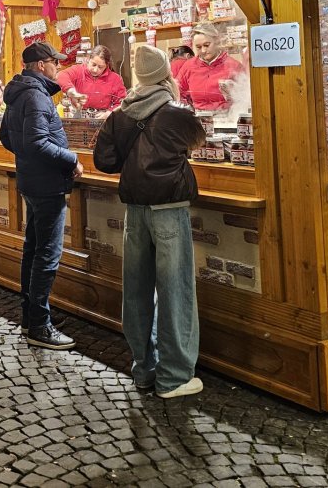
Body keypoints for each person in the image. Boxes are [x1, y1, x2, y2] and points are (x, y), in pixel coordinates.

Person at [93, 45, 207, 399]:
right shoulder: (178, 113)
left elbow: (104, 162)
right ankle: (173, 377)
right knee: (176, 292)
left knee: (137, 291)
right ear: (164, 75)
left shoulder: (119, 115)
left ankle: (143, 370)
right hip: (169, 209)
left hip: (135, 212)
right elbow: (199, 143)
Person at [0, 40, 82, 351]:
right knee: (46, 254)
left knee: (33, 250)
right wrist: (70, 159)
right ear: (40, 65)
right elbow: (36, 142)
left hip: (32, 180)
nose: (57, 66)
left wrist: (26, 160)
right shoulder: (36, 95)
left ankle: (31, 315)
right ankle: (39, 325)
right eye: (54, 62)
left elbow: (6, 136)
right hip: (47, 183)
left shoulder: (20, 92)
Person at [176, 23, 244, 112]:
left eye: (207, 45)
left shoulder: (233, 66)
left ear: (216, 41)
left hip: (227, 118)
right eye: (198, 47)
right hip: (199, 118)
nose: (203, 50)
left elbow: (245, 96)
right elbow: (178, 92)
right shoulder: (189, 66)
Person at [56, 46, 126, 113]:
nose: (95, 70)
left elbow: (122, 103)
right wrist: (71, 92)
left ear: (107, 65)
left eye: (100, 67)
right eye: (93, 65)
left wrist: (110, 113)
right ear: (88, 59)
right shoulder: (78, 71)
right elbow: (61, 75)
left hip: (103, 118)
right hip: (79, 114)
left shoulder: (115, 79)